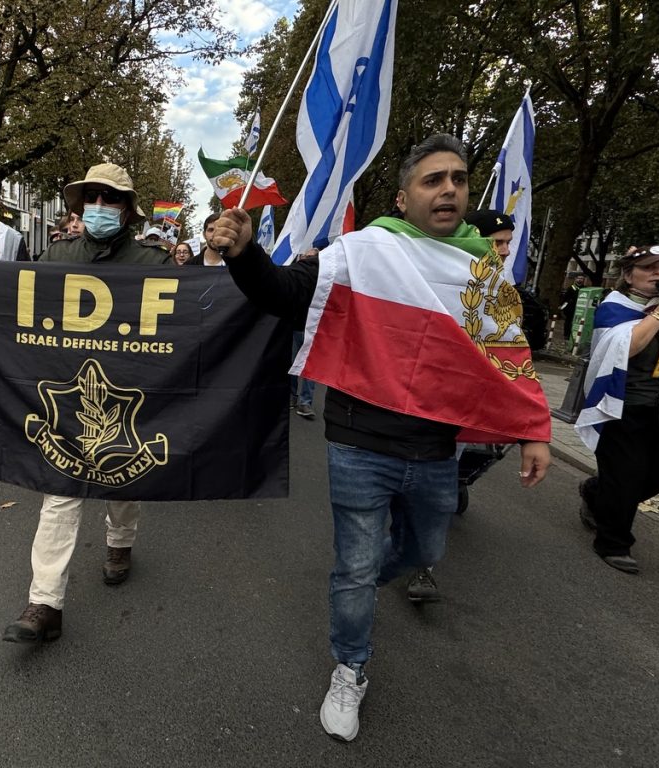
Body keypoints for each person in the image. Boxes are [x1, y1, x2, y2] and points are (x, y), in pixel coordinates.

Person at [212, 133, 552, 742]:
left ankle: (361, 584)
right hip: (360, 443)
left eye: (458, 178)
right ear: (403, 197)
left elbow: (509, 354)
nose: (448, 189)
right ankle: (350, 667)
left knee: (423, 551)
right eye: (432, 179)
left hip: (436, 448)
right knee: (356, 564)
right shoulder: (365, 251)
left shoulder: (482, 272)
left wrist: (533, 429)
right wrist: (245, 257)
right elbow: (287, 294)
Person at [2, 162, 171, 645]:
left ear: (127, 209)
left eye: (110, 198)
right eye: (91, 197)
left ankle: (120, 543)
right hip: (66, 397)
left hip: (127, 398)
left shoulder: (154, 264)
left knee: (123, 484)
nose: (99, 206)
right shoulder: (57, 255)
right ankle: (44, 603)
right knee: (60, 494)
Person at [576, 245, 659, 574]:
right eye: (649, 267)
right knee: (626, 476)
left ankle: (596, 491)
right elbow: (627, 347)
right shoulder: (615, 307)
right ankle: (613, 542)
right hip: (625, 405)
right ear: (628, 276)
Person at [291, 248, 320, 420]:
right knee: (293, 364)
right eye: (306, 257)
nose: (309, 260)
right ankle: (292, 395)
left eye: (313, 258)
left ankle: (305, 402)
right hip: (296, 327)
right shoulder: (295, 277)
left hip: (314, 330)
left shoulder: (323, 279)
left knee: (310, 368)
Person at [560, 274, 587, 340]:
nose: (580, 280)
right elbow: (565, 298)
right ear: (575, 279)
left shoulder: (584, 289)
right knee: (568, 321)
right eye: (578, 278)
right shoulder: (571, 288)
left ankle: (576, 335)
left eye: (581, 278)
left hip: (580, 308)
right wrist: (562, 306)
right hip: (570, 308)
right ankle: (567, 334)